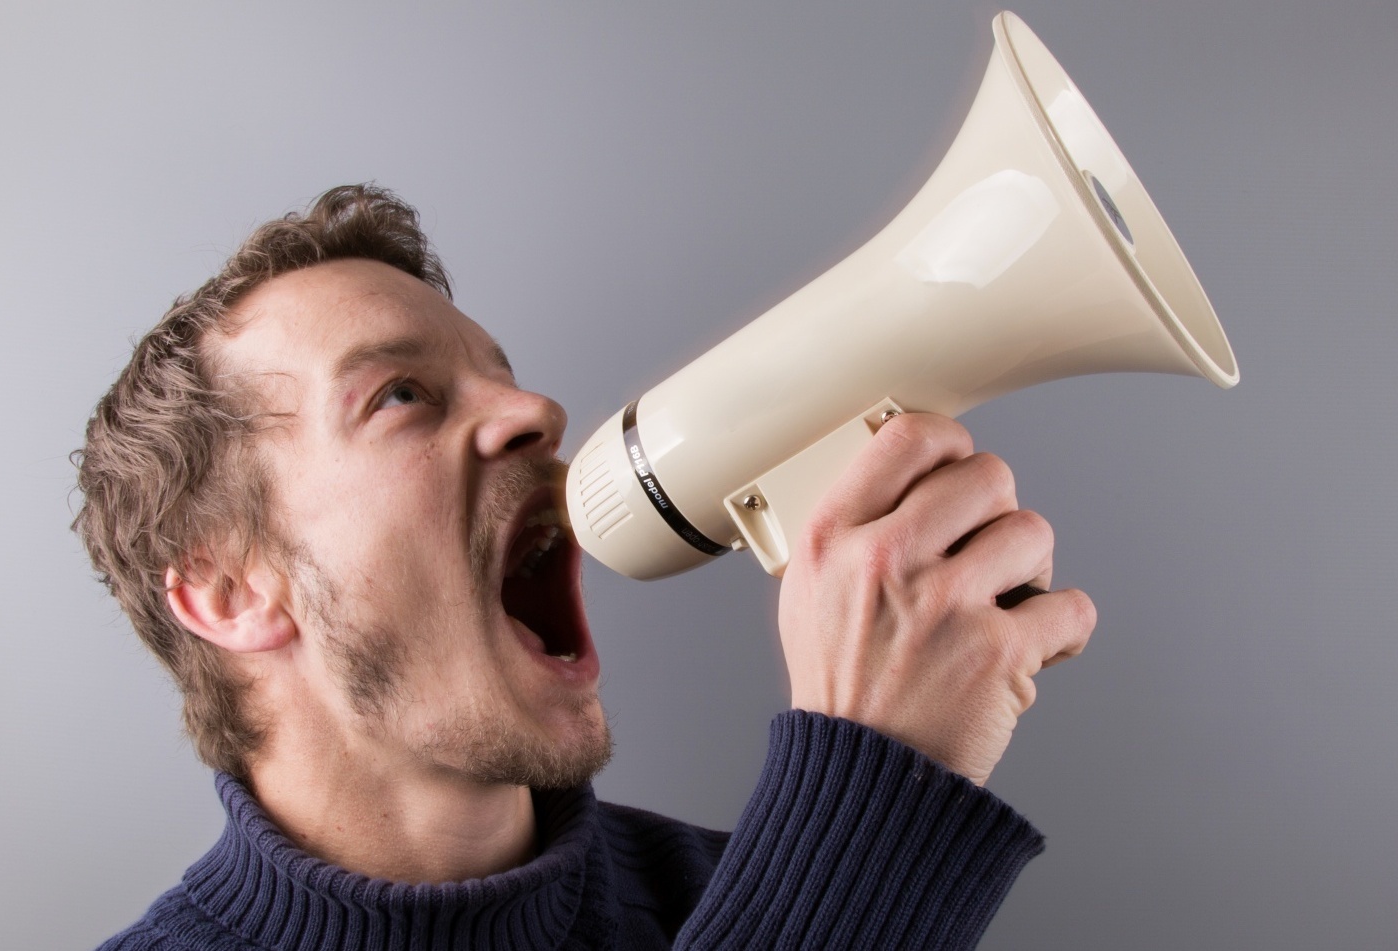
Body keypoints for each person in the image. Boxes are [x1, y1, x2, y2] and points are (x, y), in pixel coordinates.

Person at [74, 184, 1096, 950]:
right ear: (226, 589)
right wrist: (868, 811)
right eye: (400, 397)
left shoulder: (745, 887)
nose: (537, 413)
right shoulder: (827, 892)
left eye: (501, 377)